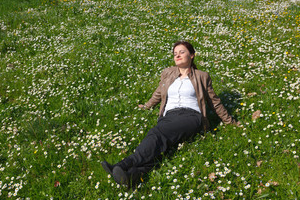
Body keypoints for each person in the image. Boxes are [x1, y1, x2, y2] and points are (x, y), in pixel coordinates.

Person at [102, 41, 238, 188]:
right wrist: (147, 106)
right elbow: (159, 93)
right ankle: (134, 176)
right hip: (169, 116)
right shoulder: (168, 73)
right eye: (175, 53)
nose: (177, 55)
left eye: (182, 52)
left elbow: (214, 101)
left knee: (157, 134)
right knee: (162, 147)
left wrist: (230, 121)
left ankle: (123, 164)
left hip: (191, 116)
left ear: (192, 55)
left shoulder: (201, 76)